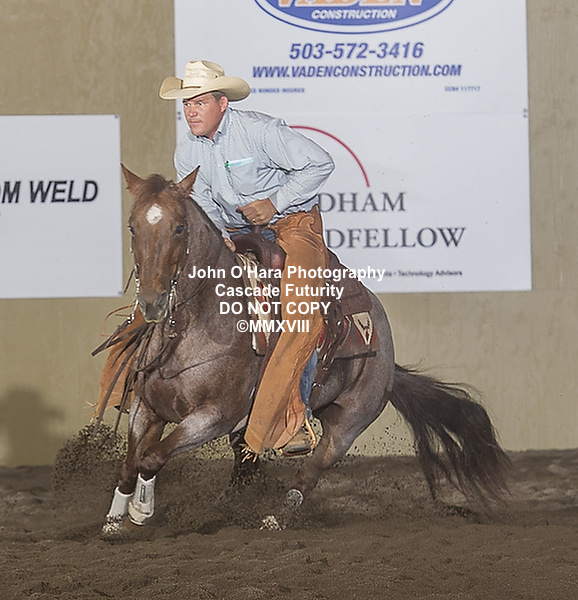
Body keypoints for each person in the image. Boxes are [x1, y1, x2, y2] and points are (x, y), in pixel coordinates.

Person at [159, 60, 334, 456]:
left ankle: (294, 417)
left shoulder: (260, 131)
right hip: (236, 233)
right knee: (173, 283)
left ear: (222, 103)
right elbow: (202, 201)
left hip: (293, 224)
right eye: (186, 104)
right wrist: (219, 235)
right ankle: (140, 384)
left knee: (299, 312)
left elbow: (321, 162)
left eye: (199, 102)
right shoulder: (186, 152)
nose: (190, 111)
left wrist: (275, 202)